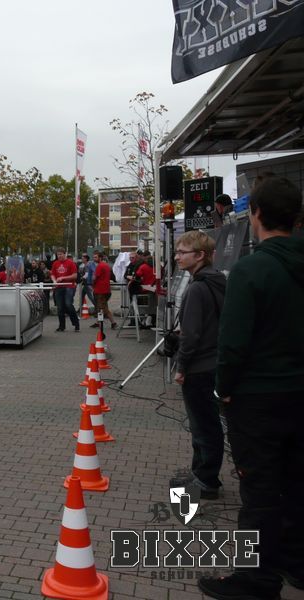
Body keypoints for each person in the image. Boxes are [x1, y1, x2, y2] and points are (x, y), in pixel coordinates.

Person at [198, 176, 304, 600]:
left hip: (257, 398)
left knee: (259, 490)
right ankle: (295, 561)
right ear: (297, 218)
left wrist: (223, 388)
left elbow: (234, 340)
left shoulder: (251, 269)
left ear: (255, 214)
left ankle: (257, 579)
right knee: (297, 482)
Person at [169, 231, 226, 501]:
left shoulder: (198, 288)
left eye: (183, 252)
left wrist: (181, 367)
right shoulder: (218, 281)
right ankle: (203, 472)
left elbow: (190, 334)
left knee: (203, 424)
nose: (177, 257)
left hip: (200, 367)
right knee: (208, 422)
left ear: (200, 255)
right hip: (213, 362)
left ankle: (206, 478)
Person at [50, 248, 80, 332]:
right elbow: (52, 274)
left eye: (61, 254)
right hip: (59, 287)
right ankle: (62, 326)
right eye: (58, 254)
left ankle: (76, 323)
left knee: (68, 304)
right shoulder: (55, 263)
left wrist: (63, 278)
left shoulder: (71, 263)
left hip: (69, 286)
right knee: (60, 307)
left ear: (65, 254)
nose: (59, 256)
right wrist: (54, 281)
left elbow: (75, 276)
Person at [91, 252, 118, 329]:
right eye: (93, 257)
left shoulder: (100, 266)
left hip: (101, 290)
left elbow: (95, 278)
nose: (94, 259)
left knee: (104, 308)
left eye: (95, 257)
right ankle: (98, 322)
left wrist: (92, 284)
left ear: (100, 258)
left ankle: (113, 323)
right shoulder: (106, 265)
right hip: (106, 289)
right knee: (101, 307)